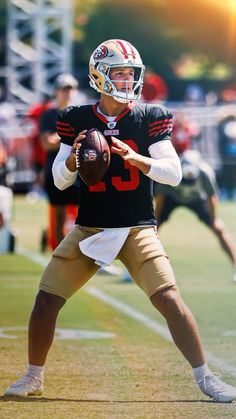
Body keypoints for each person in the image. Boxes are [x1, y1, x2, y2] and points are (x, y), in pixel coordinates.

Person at [4, 39, 236, 402]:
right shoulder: (75, 118)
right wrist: (74, 159)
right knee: (46, 300)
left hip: (136, 227)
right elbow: (59, 179)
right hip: (90, 225)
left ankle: (206, 377)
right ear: (100, 75)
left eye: (132, 74)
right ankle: (34, 375)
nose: (128, 81)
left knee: (170, 298)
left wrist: (138, 159)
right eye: (120, 73)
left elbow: (172, 173)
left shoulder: (149, 117)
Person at [154, 148, 236, 282]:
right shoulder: (171, 170)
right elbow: (161, 197)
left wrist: (214, 219)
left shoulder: (205, 172)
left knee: (219, 229)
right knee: (150, 230)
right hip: (171, 198)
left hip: (196, 198)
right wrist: (155, 222)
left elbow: (211, 197)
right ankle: (134, 270)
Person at [39, 74, 80, 247]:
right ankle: (59, 255)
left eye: (70, 89)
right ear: (56, 92)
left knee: (86, 215)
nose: (67, 93)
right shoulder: (48, 115)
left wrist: (60, 138)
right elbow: (46, 143)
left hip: (79, 170)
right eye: (64, 89)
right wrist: (70, 136)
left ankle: (86, 256)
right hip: (55, 169)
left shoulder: (79, 113)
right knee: (59, 215)